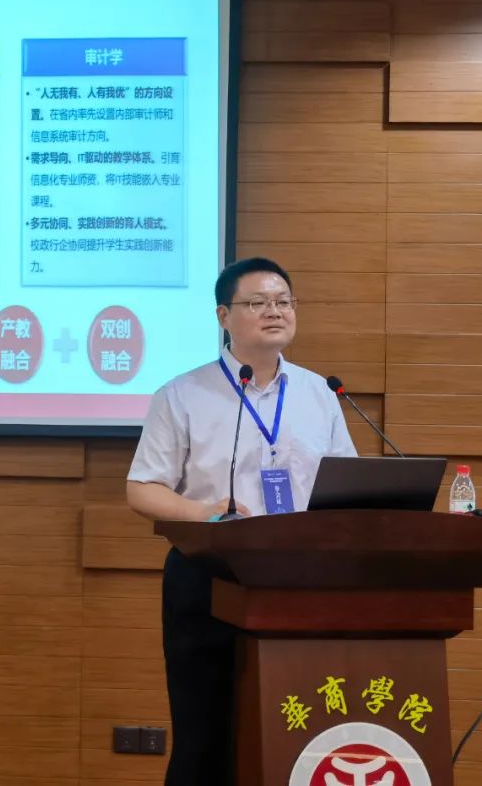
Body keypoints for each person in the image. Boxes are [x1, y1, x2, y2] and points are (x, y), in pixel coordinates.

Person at [126, 257, 357, 786]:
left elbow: (344, 481)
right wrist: (207, 513)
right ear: (223, 316)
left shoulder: (319, 394)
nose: (274, 311)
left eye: (283, 301)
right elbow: (141, 488)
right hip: (210, 576)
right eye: (257, 302)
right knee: (205, 735)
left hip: (302, 579)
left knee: (296, 727)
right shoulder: (181, 394)